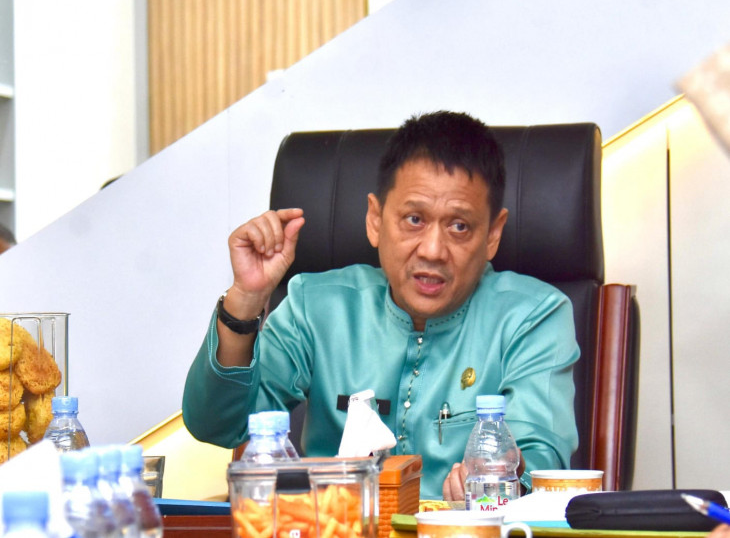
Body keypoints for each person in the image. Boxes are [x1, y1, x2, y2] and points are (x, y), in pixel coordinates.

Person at [182, 111, 579, 499]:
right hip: (337, 526)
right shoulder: (316, 306)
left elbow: (544, 466)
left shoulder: (534, 316)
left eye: (459, 226)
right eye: (414, 219)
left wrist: (503, 475)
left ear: (492, 234)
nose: (433, 250)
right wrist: (247, 299)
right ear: (375, 219)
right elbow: (218, 425)